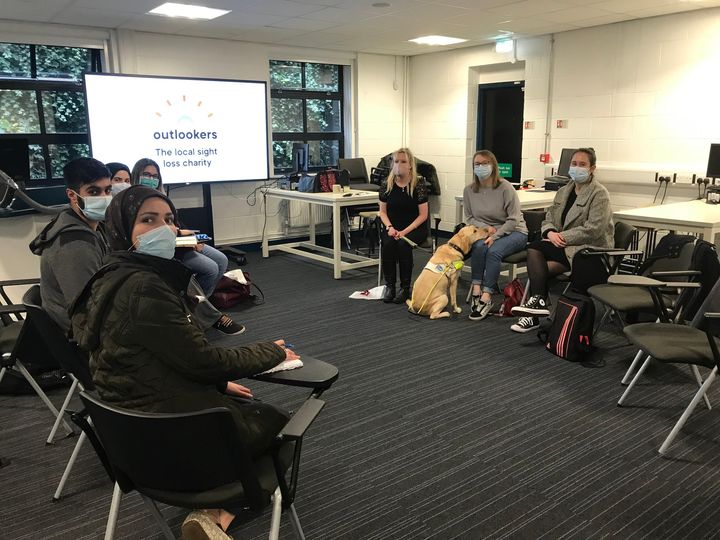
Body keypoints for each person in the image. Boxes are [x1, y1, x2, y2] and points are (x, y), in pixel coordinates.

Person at [70, 185, 299, 540]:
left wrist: (219, 385)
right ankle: (221, 508)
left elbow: (152, 356)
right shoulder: (145, 286)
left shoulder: (108, 277)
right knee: (278, 424)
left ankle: (213, 513)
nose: (164, 229)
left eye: (170, 220)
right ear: (122, 229)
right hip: (173, 438)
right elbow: (203, 360)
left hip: (131, 442)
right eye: (148, 220)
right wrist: (271, 352)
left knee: (238, 402)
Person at [510, 147, 613, 333]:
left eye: (582, 164)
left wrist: (562, 237)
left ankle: (535, 310)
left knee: (540, 266)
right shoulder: (565, 190)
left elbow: (594, 230)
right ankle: (539, 303)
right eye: (574, 164)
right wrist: (549, 232)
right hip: (565, 247)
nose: (577, 167)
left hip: (589, 251)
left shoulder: (599, 193)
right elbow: (549, 217)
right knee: (534, 249)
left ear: (592, 168)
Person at [29, 157, 112, 333]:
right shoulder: (75, 244)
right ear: (72, 196)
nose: (104, 198)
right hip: (82, 341)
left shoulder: (89, 228)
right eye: (94, 192)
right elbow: (88, 312)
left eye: (107, 190)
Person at [131, 158, 230, 297]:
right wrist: (189, 242)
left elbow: (177, 224)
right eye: (146, 175)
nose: (151, 179)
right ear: (136, 175)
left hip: (183, 242)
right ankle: (193, 305)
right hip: (170, 248)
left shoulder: (162, 198)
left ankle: (205, 299)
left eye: (155, 176)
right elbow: (161, 232)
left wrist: (193, 239)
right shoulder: (133, 202)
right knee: (211, 269)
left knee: (222, 260)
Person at [463, 150, 527, 320]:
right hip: (488, 231)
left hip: (514, 231)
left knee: (493, 251)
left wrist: (495, 235)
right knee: (478, 246)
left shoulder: (505, 187)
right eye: (477, 164)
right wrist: (485, 228)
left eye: (485, 163)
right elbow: (469, 217)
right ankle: (476, 287)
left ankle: (486, 296)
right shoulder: (469, 190)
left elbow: (514, 219)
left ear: (493, 166)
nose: (481, 167)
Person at [378, 148, 429, 303]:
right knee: (388, 244)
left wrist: (405, 231)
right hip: (392, 227)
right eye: (396, 161)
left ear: (410, 165)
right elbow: (382, 212)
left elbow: (423, 215)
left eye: (403, 161)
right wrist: (389, 228)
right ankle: (390, 286)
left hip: (414, 227)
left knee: (402, 245)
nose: (399, 164)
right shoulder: (386, 184)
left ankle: (405, 288)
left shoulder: (418, 183)